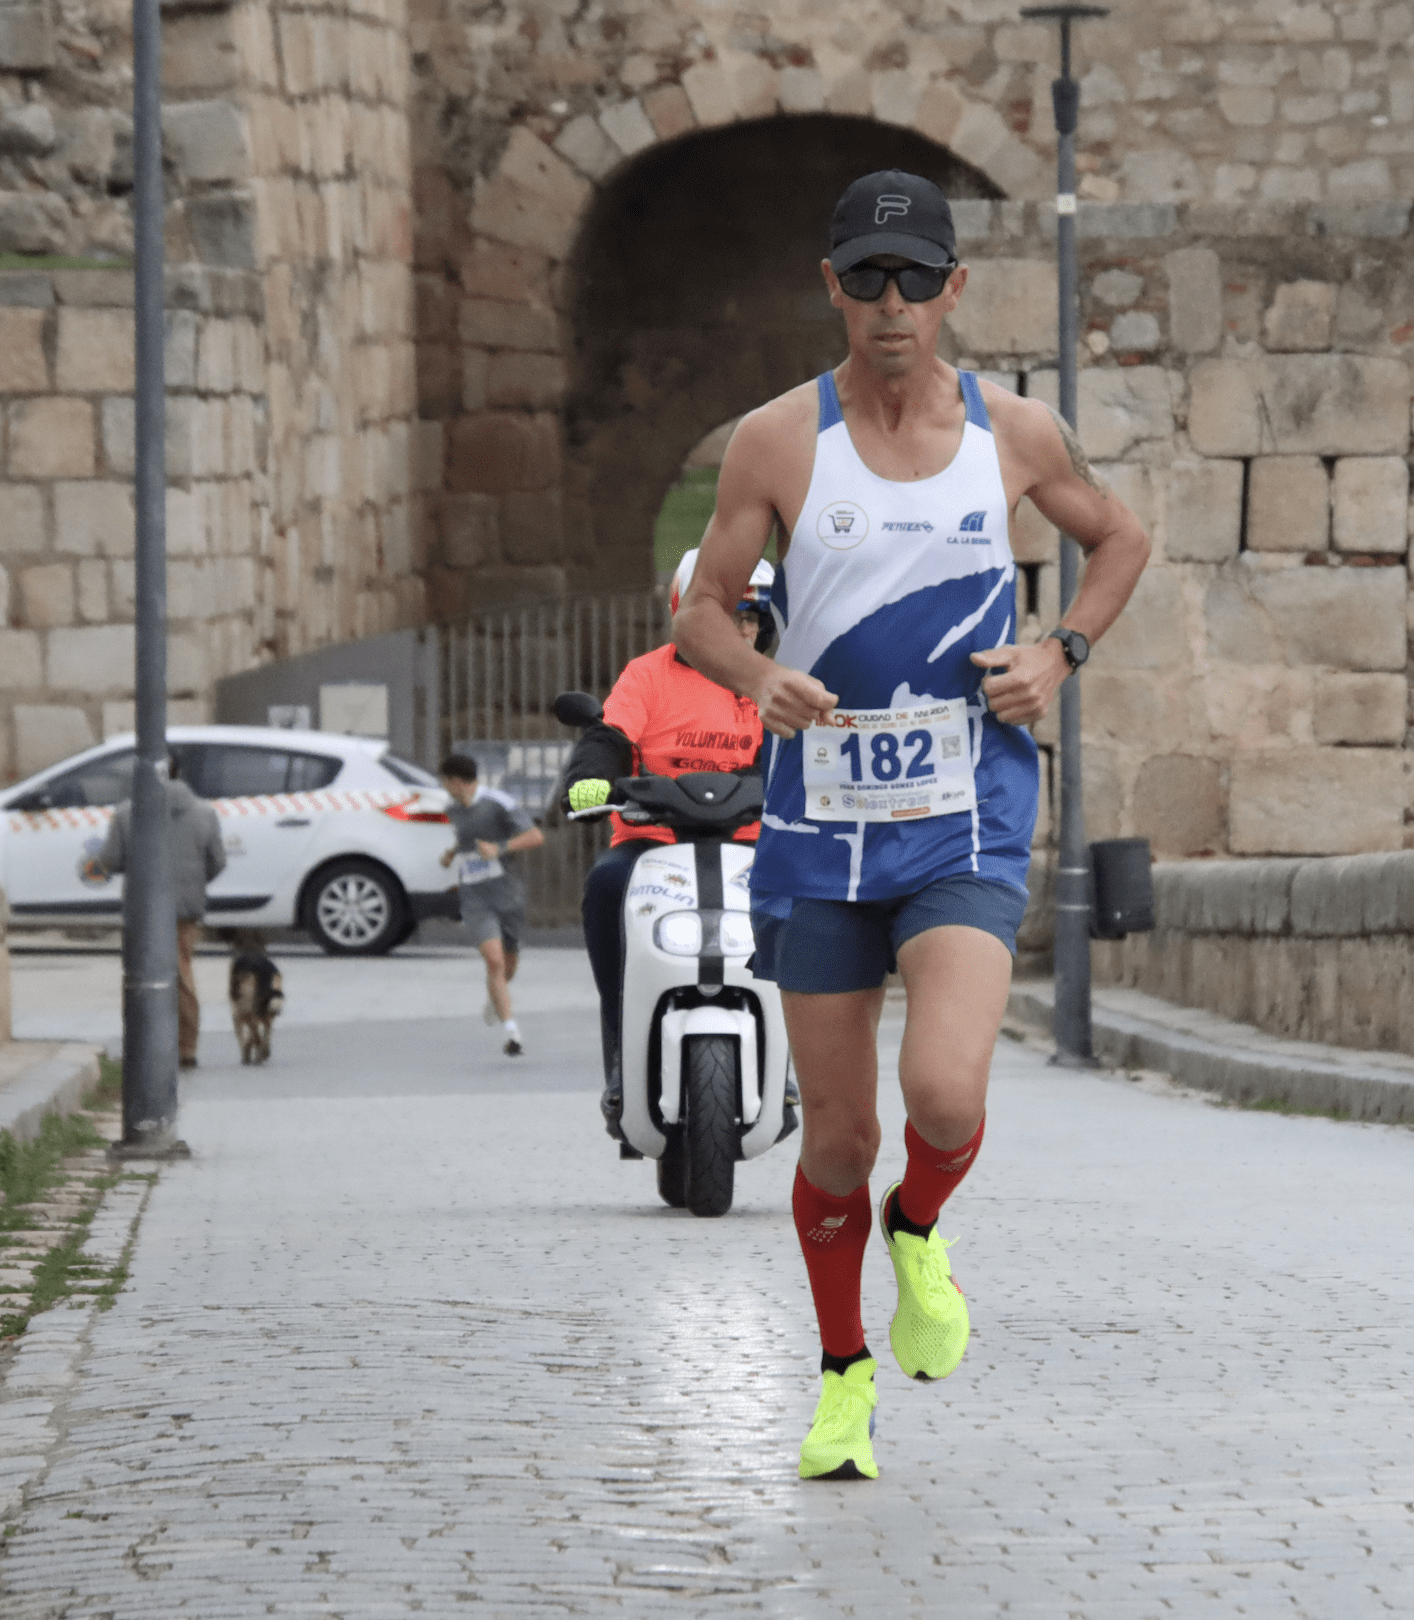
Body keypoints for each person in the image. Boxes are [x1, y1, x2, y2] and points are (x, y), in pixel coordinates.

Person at [673, 169, 1152, 1482]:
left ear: (952, 290)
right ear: (833, 287)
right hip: (822, 825)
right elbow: (702, 610)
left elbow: (1120, 541)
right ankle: (841, 1380)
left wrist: (1059, 652)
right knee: (835, 1136)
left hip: (967, 806)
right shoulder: (776, 441)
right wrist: (755, 674)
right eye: (867, 280)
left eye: (916, 280)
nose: (893, 306)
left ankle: (919, 1228)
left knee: (942, 1095)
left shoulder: (1017, 432)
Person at [564, 549, 774, 1139]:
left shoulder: (769, 684)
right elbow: (609, 734)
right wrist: (589, 779)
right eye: (729, 615)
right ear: (689, 614)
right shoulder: (648, 675)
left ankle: (792, 1054)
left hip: (749, 846)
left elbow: (795, 750)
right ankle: (619, 1053)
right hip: (653, 846)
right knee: (606, 883)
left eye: (752, 618)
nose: (742, 630)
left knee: (805, 900)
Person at [86, 760, 230, 1069]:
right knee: (182, 974)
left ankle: (141, 1046)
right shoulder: (204, 813)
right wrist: (193, 883)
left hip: (142, 908)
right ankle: (187, 1046)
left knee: (140, 975)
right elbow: (217, 861)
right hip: (185, 909)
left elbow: (109, 859)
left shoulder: (126, 813)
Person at [439, 753, 545, 1057]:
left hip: (507, 894)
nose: (445, 787)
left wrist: (500, 848)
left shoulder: (499, 802)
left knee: (508, 964)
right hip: (474, 895)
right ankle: (512, 1032)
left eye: (446, 781)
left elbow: (535, 836)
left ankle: (495, 999)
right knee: (494, 961)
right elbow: (466, 838)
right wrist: (451, 853)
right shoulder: (453, 810)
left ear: (455, 781)